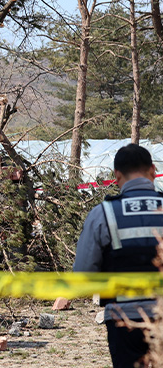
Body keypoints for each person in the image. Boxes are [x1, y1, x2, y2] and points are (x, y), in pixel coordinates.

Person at [75, 143, 162, 367]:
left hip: (124, 321)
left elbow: (83, 274)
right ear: (153, 170)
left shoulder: (103, 214)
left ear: (116, 175)